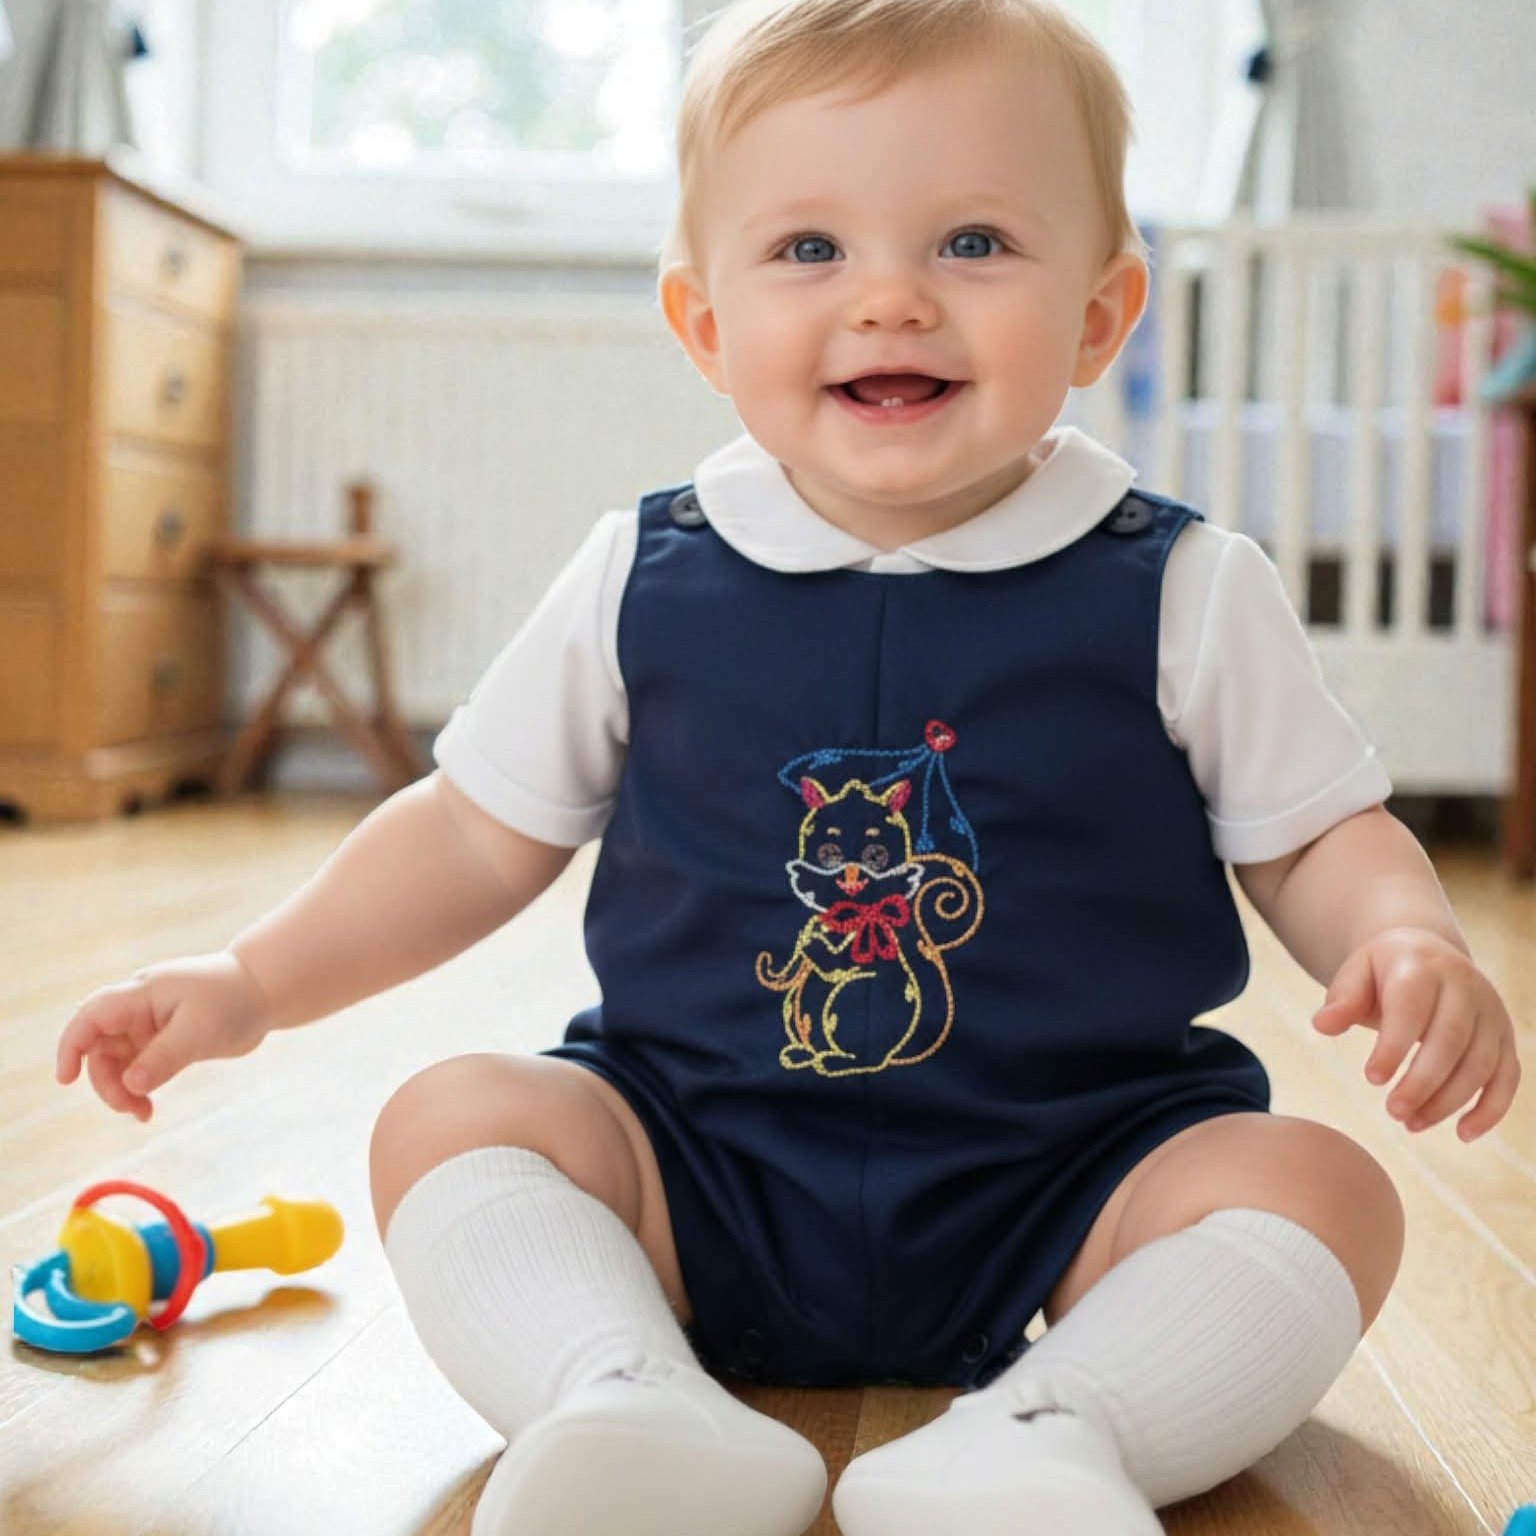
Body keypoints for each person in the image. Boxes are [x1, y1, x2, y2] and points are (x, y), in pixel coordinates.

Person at [56, 1, 1523, 1533]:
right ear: (705, 326)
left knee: (1321, 1190)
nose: (890, 299)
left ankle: (1056, 1434)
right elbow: (472, 833)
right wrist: (253, 981)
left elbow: (1314, 834)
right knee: (452, 1117)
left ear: (1100, 315)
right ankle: (619, 1395)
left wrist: (1403, 932)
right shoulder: (642, 573)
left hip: (1082, 1167)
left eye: (972, 242)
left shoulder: (1184, 586)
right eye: (810, 249)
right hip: (693, 1156)